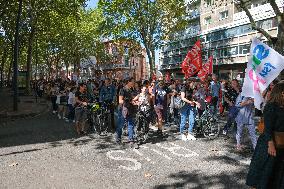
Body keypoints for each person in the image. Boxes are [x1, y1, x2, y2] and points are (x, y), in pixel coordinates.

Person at [246, 81, 284, 189]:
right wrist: (270, 144)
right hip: (269, 144)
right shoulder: (271, 106)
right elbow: (268, 128)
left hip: (281, 145)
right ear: (281, 92)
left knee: (277, 173)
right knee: (265, 172)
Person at [116, 77, 136, 146]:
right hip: (122, 109)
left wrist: (135, 101)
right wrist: (129, 101)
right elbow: (120, 101)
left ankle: (131, 139)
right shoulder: (123, 89)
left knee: (130, 124)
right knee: (120, 124)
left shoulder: (132, 89)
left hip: (130, 109)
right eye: (133, 81)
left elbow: (133, 99)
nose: (134, 82)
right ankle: (118, 138)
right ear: (128, 82)